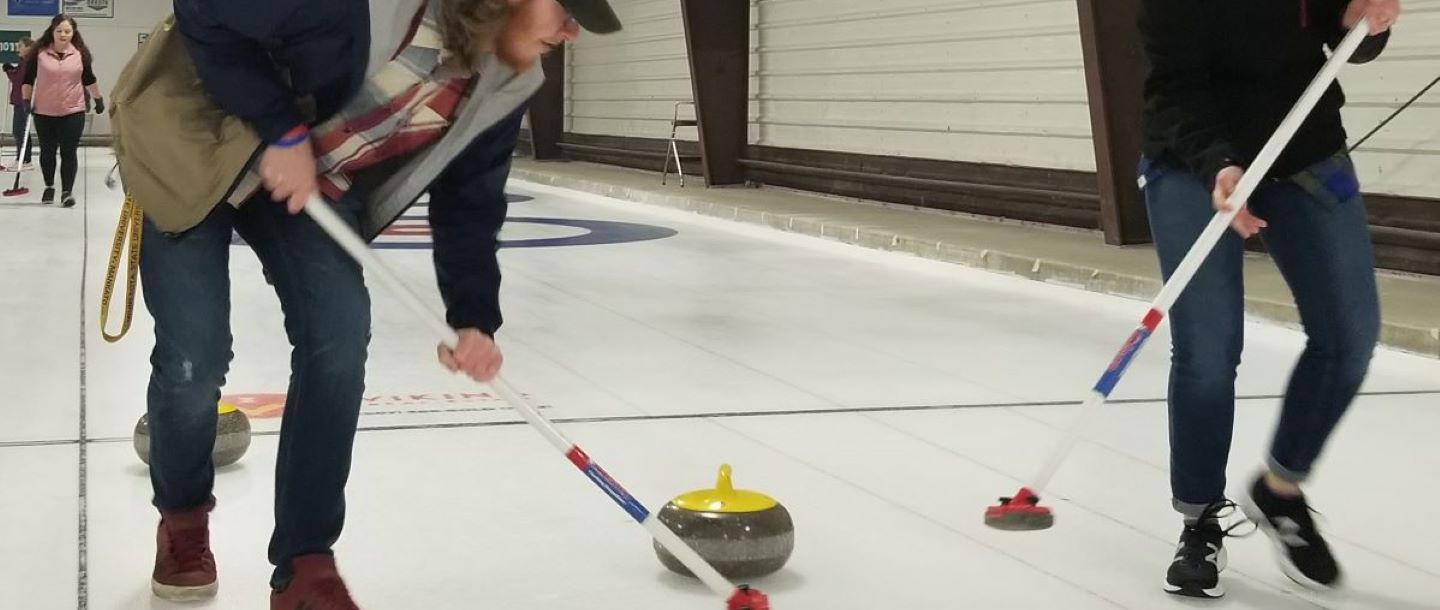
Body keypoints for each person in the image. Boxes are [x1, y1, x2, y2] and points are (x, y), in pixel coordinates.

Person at [137, 0, 620, 608]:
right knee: (195, 354)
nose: (572, 31)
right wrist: (281, 127)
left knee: (338, 340)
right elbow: (205, 10)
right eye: (567, 8)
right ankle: (182, 520)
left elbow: (470, 200)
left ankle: (306, 559)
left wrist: (474, 318)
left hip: (316, 186)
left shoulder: (512, 80)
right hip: (204, 147)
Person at [1137, 0, 1401, 599]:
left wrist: (1365, 21)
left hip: (1305, 148)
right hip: (1190, 160)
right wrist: (1218, 167)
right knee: (1207, 348)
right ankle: (1200, 518)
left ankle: (1280, 490)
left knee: (1350, 336)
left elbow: (1351, 41)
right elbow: (1176, 85)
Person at [22, 15, 103, 207]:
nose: (63, 34)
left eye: (67, 31)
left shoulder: (80, 54)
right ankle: (49, 186)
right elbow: (28, 79)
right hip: (44, 111)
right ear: (52, 32)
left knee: (69, 151)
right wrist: (26, 100)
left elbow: (89, 78)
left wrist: (98, 99)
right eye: (59, 31)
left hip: (73, 110)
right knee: (47, 152)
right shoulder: (39, 53)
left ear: (73, 33)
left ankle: (67, 192)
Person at [3, 36, 34, 171]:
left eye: (20, 46)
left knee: (19, 130)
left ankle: (25, 160)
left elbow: (20, 80)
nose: (18, 49)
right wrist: (11, 70)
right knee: (20, 130)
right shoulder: (24, 62)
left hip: (23, 100)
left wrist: (9, 71)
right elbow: (18, 76)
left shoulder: (28, 62)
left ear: (28, 47)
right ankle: (22, 158)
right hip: (19, 99)